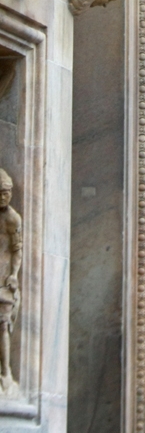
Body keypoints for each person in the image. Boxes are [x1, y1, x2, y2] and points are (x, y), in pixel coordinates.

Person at [0, 169, 21, 396]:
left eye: (7, 193)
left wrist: (14, 274)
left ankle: (5, 372)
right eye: (0, 192)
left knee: (3, 325)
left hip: (3, 278)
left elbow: (17, 250)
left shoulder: (12, 218)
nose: (4, 197)